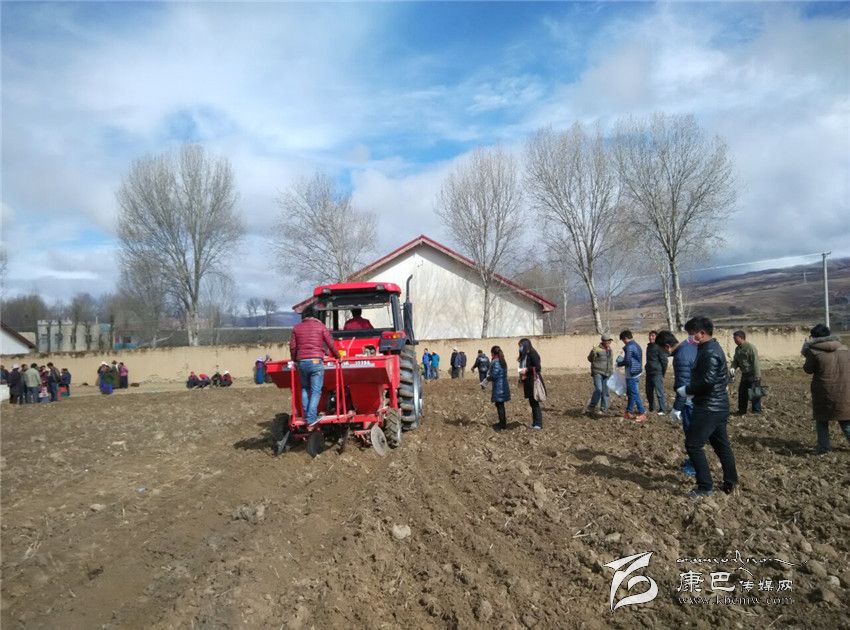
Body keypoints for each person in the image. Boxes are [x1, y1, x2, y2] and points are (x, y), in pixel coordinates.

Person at [678, 316, 738, 498]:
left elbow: (707, 382)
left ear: (702, 333)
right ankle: (731, 481)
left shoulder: (710, 352)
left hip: (709, 407)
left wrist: (687, 390)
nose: (690, 338)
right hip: (717, 406)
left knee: (693, 445)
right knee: (721, 445)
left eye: (692, 334)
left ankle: (705, 487)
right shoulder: (708, 348)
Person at [289, 305, 340, 431]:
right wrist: (338, 356)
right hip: (316, 361)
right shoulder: (320, 326)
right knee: (316, 391)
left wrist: (295, 359)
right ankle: (311, 419)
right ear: (316, 315)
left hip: (301, 362)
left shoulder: (296, 328)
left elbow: (293, 347)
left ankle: (307, 416)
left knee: (305, 388)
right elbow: (330, 343)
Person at [802, 324, 850, 454]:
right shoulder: (844, 348)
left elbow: (808, 369)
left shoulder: (813, 351)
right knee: (845, 420)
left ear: (814, 337)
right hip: (844, 390)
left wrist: (805, 352)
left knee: (822, 420)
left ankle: (824, 448)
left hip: (824, 391)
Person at [657, 328, 697, 477]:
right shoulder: (688, 347)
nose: (663, 353)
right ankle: (693, 460)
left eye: (662, 350)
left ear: (667, 346)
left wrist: (677, 408)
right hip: (697, 397)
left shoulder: (680, 357)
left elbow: (683, 387)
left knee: (691, 435)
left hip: (690, 401)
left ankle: (694, 465)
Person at [616, 330, 647, 423]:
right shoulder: (636, 345)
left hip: (631, 373)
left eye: (623, 340)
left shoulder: (629, 347)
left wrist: (619, 363)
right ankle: (628, 412)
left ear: (625, 338)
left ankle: (642, 413)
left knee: (634, 393)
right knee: (631, 393)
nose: (623, 342)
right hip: (636, 371)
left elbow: (627, 361)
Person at [731, 330, 762, 415]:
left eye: (735, 338)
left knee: (755, 393)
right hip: (745, 374)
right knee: (742, 393)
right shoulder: (738, 349)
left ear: (741, 338)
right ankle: (742, 411)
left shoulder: (750, 347)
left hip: (753, 374)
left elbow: (755, 362)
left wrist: (757, 375)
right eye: (734, 338)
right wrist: (733, 367)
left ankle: (756, 411)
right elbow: (735, 360)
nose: (734, 340)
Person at [518, 338, 544, 430]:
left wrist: (526, 369)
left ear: (525, 345)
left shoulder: (533, 354)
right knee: (532, 403)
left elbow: (538, 367)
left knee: (535, 403)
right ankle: (535, 422)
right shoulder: (525, 355)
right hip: (528, 381)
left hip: (533, 381)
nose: (520, 348)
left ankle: (538, 424)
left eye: (521, 346)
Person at [587, 333, 614, 417]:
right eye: (607, 341)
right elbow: (590, 359)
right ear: (603, 341)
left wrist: (611, 371)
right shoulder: (597, 349)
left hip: (607, 373)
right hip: (598, 372)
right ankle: (592, 406)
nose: (609, 342)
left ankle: (603, 409)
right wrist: (592, 353)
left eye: (610, 341)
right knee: (599, 389)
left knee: (605, 391)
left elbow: (610, 362)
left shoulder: (610, 350)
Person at [645, 330, 669, 415]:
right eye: (650, 335)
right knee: (648, 392)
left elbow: (665, 361)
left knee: (659, 392)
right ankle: (652, 408)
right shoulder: (649, 347)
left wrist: (662, 373)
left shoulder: (660, 347)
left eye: (653, 336)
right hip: (649, 372)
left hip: (657, 373)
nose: (650, 337)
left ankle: (662, 409)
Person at [488, 345, 511, 430]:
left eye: (491, 353)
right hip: (502, 385)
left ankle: (502, 425)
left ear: (493, 353)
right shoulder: (502, 360)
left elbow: (494, 375)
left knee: (500, 405)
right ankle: (502, 422)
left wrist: (487, 378)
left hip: (499, 386)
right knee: (500, 405)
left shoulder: (496, 362)